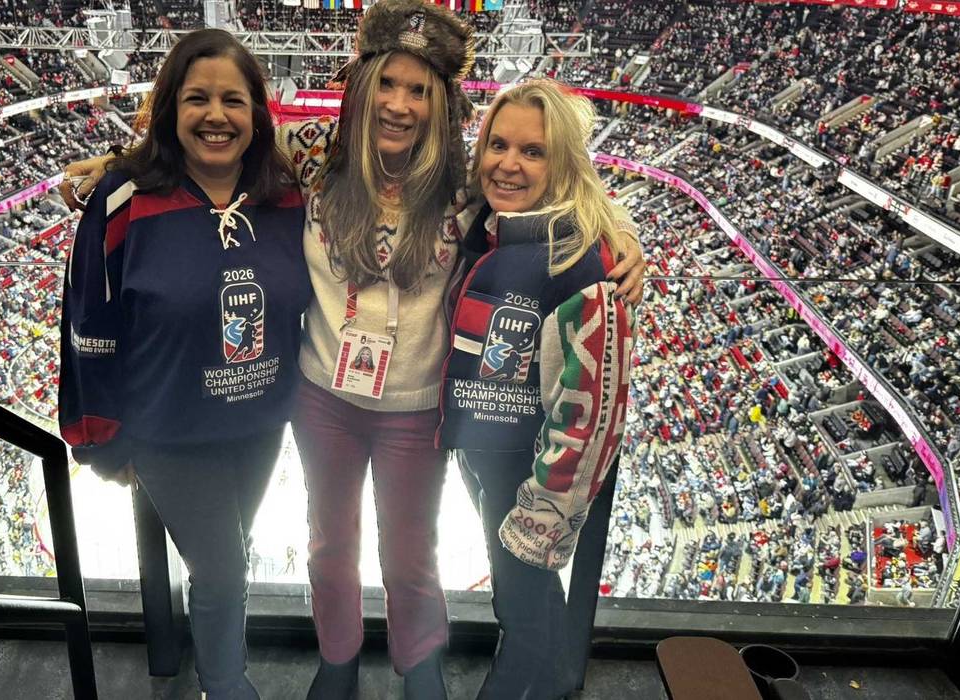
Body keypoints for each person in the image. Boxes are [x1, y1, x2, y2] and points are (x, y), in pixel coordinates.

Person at [59, 3, 645, 697]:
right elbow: (210, 152)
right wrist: (117, 166)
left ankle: (417, 662)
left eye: (418, 90)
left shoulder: (467, 181)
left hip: (416, 404)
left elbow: (556, 192)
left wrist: (622, 239)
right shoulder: (311, 156)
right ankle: (336, 658)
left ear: (440, 102)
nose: (399, 105)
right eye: (387, 85)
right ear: (362, 88)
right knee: (329, 548)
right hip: (321, 398)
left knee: (409, 556)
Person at [57, 29, 310, 699]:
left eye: (233, 99)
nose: (216, 115)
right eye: (196, 98)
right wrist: (99, 442)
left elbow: (376, 143)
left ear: (258, 112)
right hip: (167, 433)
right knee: (224, 572)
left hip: (259, 426)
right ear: (169, 108)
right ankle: (225, 686)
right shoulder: (122, 201)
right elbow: (89, 325)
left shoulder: (289, 198)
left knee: (227, 554)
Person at [437, 81, 638, 700]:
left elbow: (591, 411)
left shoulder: (580, 258)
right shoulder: (482, 223)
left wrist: (545, 510)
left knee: (522, 610)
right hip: (483, 452)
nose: (509, 163)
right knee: (521, 597)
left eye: (533, 151)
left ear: (564, 163)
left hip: (525, 474)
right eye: (497, 144)